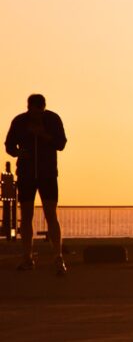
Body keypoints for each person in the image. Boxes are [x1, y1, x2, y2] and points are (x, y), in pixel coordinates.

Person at [4, 94, 68, 275]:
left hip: (47, 174)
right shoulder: (19, 121)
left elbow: (61, 143)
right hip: (26, 174)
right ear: (29, 108)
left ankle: (58, 256)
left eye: (40, 113)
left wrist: (43, 135)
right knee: (26, 215)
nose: (36, 116)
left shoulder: (53, 119)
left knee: (51, 213)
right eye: (33, 113)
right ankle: (27, 257)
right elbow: (9, 145)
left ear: (44, 108)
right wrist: (18, 153)